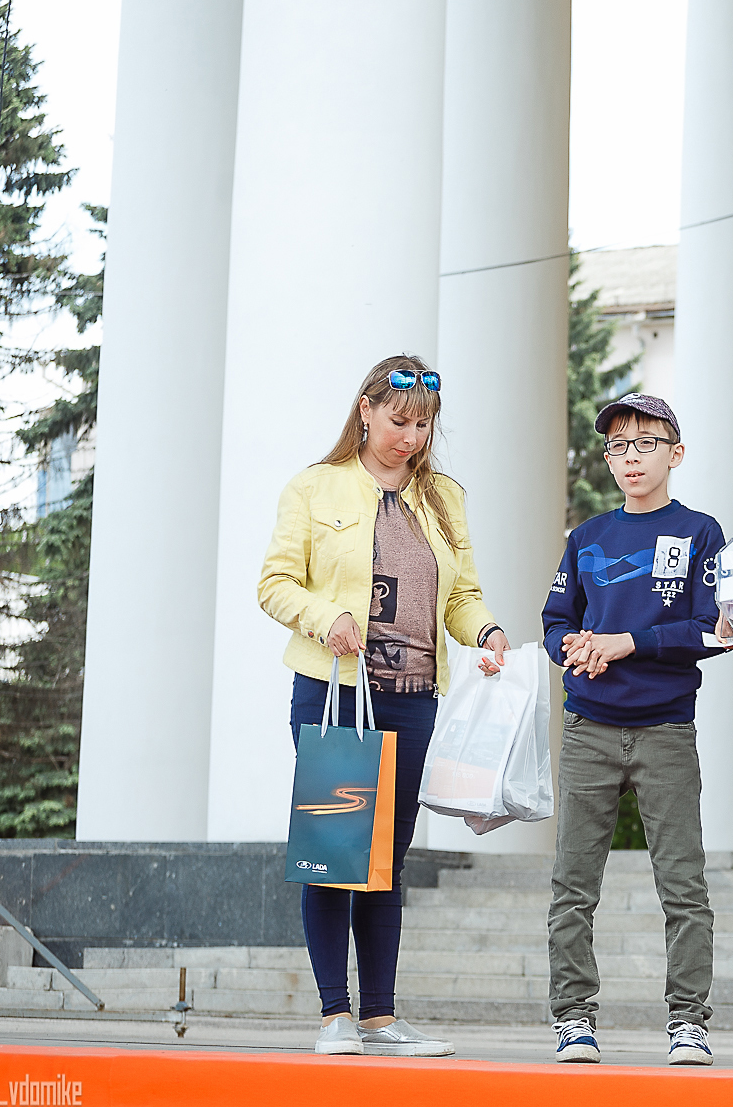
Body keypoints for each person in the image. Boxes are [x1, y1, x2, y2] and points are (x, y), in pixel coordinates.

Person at [258, 355, 511, 1057]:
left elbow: (460, 598)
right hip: (337, 694)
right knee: (335, 850)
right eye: (399, 421)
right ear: (365, 411)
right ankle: (333, 1016)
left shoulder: (444, 497)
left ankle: (379, 1017)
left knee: (386, 861)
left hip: (413, 700)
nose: (410, 438)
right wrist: (325, 617)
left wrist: (486, 631)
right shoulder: (315, 487)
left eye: (423, 426)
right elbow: (275, 584)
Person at [542, 393, 726, 1067]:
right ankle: (573, 1019)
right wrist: (575, 649)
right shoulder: (587, 537)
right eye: (619, 446)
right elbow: (555, 620)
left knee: (684, 889)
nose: (631, 457)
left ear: (676, 454)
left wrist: (628, 643)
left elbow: (713, 628)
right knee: (573, 886)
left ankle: (688, 1022)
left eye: (646, 443)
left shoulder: (700, 532)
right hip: (588, 727)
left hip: (666, 728)